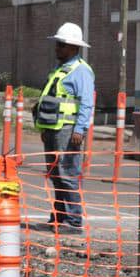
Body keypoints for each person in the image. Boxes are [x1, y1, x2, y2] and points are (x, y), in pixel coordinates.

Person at [32, 22, 94, 234]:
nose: (57, 48)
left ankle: (74, 222)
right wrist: (44, 128)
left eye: (61, 45)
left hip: (68, 131)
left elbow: (86, 103)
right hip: (53, 129)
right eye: (58, 44)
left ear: (73, 47)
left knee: (68, 174)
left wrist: (79, 130)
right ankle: (58, 218)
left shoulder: (82, 71)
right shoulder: (60, 69)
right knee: (56, 175)